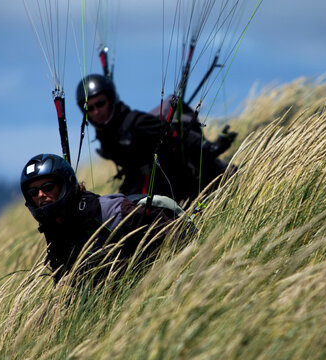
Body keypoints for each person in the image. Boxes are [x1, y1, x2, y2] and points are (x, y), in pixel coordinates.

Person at [20, 153, 182, 285]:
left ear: (64, 185)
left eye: (47, 187)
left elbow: (174, 233)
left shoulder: (111, 213)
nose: (40, 195)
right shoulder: (56, 230)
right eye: (33, 192)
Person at [75, 74, 237, 204]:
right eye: (89, 108)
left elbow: (174, 133)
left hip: (175, 177)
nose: (96, 111)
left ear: (111, 100)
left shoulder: (135, 122)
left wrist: (208, 147)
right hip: (144, 183)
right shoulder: (106, 134)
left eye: (101, 103)